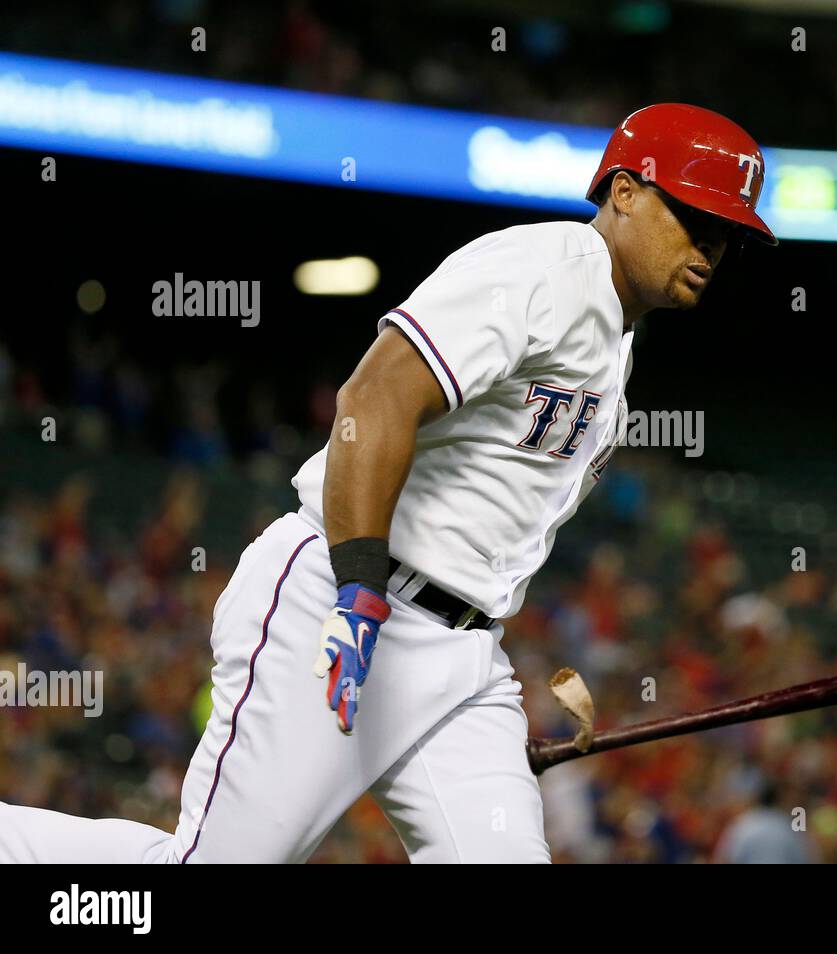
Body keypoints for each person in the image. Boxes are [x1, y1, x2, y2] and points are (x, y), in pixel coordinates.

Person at [0, 103, 776, 863]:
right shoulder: (537, 270)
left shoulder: (614, 347)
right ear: (626, 191)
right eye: (694, 214)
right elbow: (373, 400)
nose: (710, 243)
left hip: (463, 656)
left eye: (726, 233)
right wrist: (358, 589)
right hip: (344, 607)